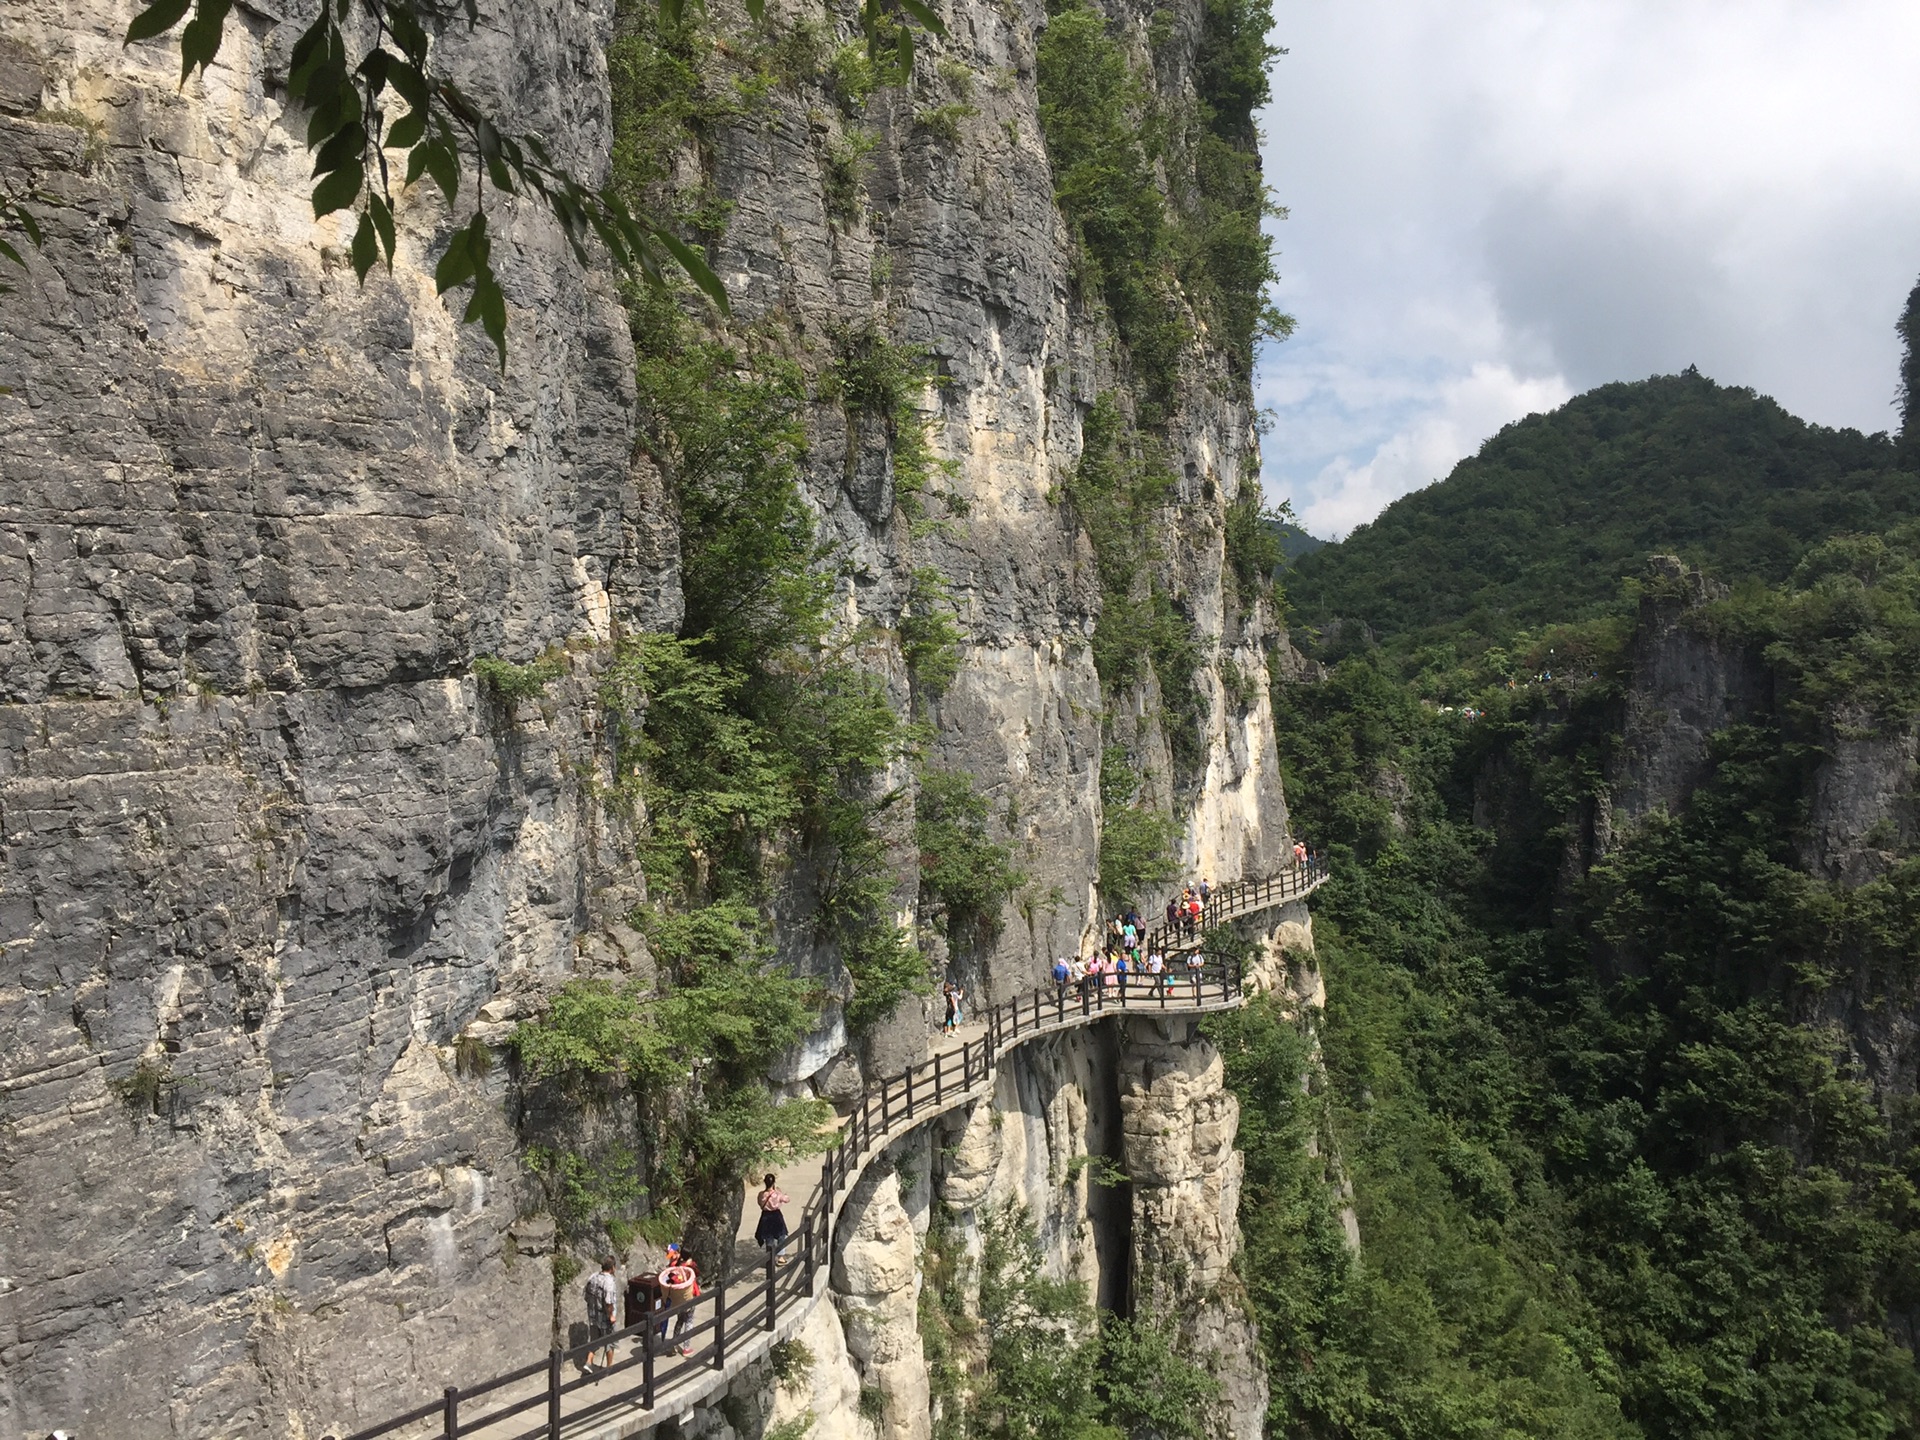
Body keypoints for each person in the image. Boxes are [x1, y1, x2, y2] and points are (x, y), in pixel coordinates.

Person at [585, 1258, 620, 1375]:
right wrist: (611, 1316)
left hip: (593, 1315)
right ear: (612, 1268)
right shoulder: (609, 1282)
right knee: (609, 1342)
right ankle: (609, 1367)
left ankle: (588, 1362)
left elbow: (586, 1296)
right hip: (604, 1317)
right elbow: (609, 1302)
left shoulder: (593, 1277)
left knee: (594, 1340)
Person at [661, 1248, 699, 1356]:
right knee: (689, 1321)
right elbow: (697, 1273)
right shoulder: (690, 1266)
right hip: (689, 1296)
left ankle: (674, 1343)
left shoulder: (675, 1265)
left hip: (678, 1299)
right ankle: (686, 1347)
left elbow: (670, 1273)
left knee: (680, 1320)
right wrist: (689, 1264)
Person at [756, 1173, 791, 1262]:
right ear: (774, 1182)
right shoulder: (777, 1194)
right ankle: (781, 1257)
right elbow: (786, 1199)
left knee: (769, 1237)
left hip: (765, 1216)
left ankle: (770, 1257)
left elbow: (760, 1203)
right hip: (776, 1215)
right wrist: (783, 1193)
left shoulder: (761, 1194)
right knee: (781, 1235)